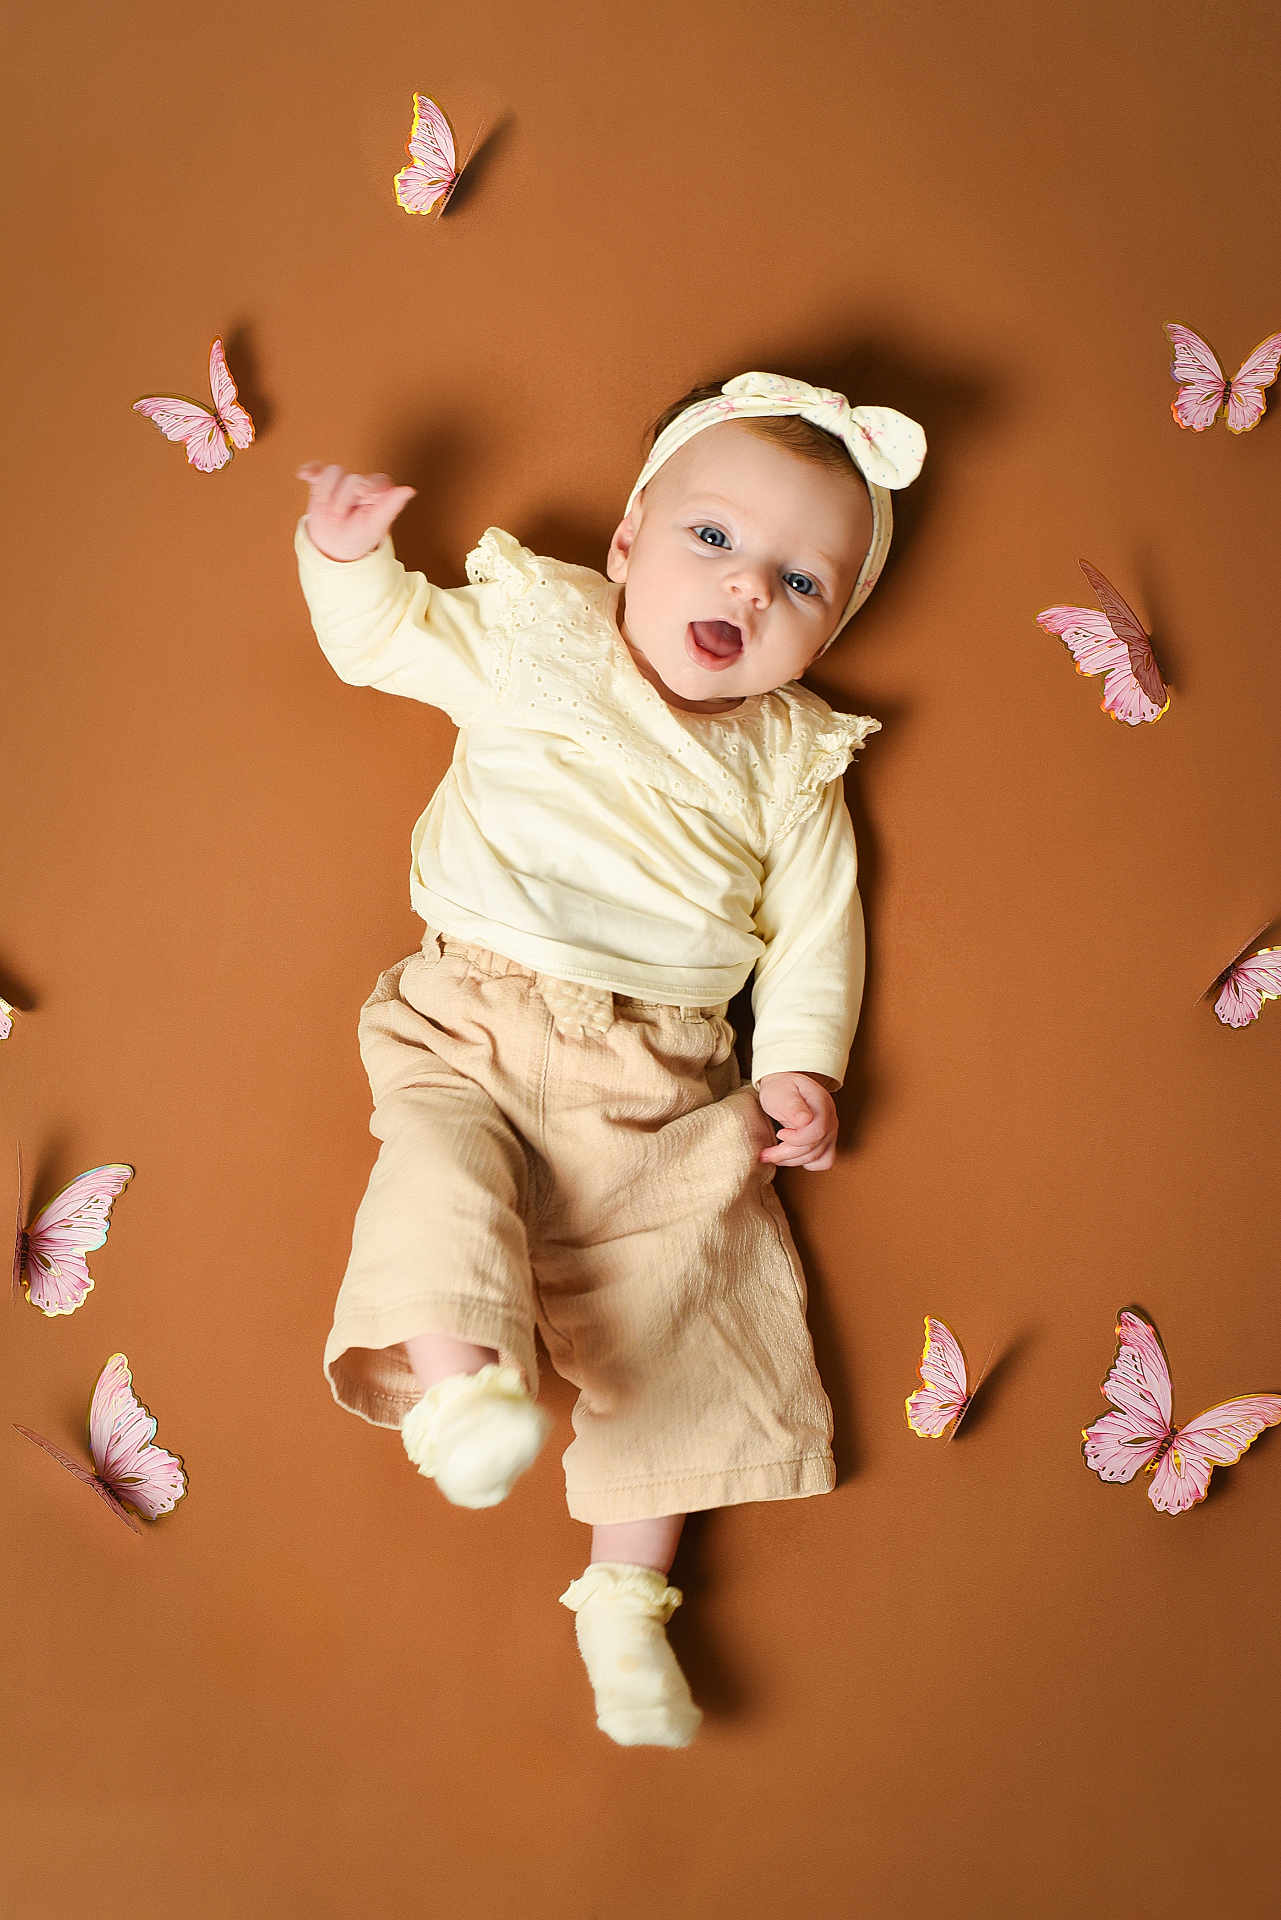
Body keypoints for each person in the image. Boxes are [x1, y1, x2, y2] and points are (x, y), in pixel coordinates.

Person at [293, 369, 925, 1749]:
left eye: (801, 584)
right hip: (475, 1014)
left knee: (691, 1300)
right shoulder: (542, 636)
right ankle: (459, 1394)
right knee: (438, 1174)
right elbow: (385, 639)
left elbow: (817, 935)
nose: (747, 590)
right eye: (711, 538)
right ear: (629, 541)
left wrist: (801, 1064)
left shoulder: (789, 764)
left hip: (666, 1077)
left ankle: (624, 1602)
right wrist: (344, 554)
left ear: (828, 629)